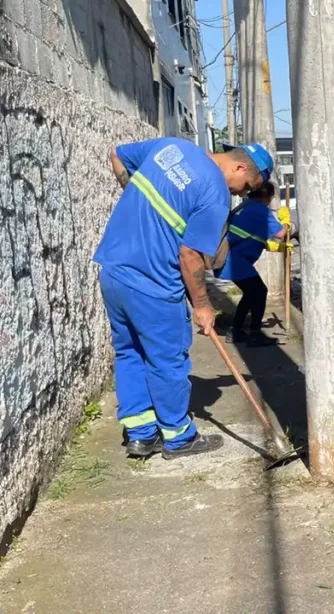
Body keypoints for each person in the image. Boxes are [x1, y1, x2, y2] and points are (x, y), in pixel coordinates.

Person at [94, 137, 273, 459]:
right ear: (239, 166)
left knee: (130, 352)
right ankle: (178, 436)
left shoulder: (172, 148)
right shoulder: (215, 192)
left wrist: (134, 196)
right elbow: (190, 255)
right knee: (168, 360)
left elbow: (117, 155)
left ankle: (140, 434)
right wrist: (204, 306)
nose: (241, 194)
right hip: (154, 283)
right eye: (245, 186)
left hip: (113, 269)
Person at [214, 179, 290, 347]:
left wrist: (269, 246)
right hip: (235, 261)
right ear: (265, 196)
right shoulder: (260, 210)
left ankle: (235, 331)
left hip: (228, 258)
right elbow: (281, 233)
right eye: (270, 197)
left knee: (250, 293)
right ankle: (255, 334)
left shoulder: (245, 206)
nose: (270, 201)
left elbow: (250, 234)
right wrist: (286, 220)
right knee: (259, 291)